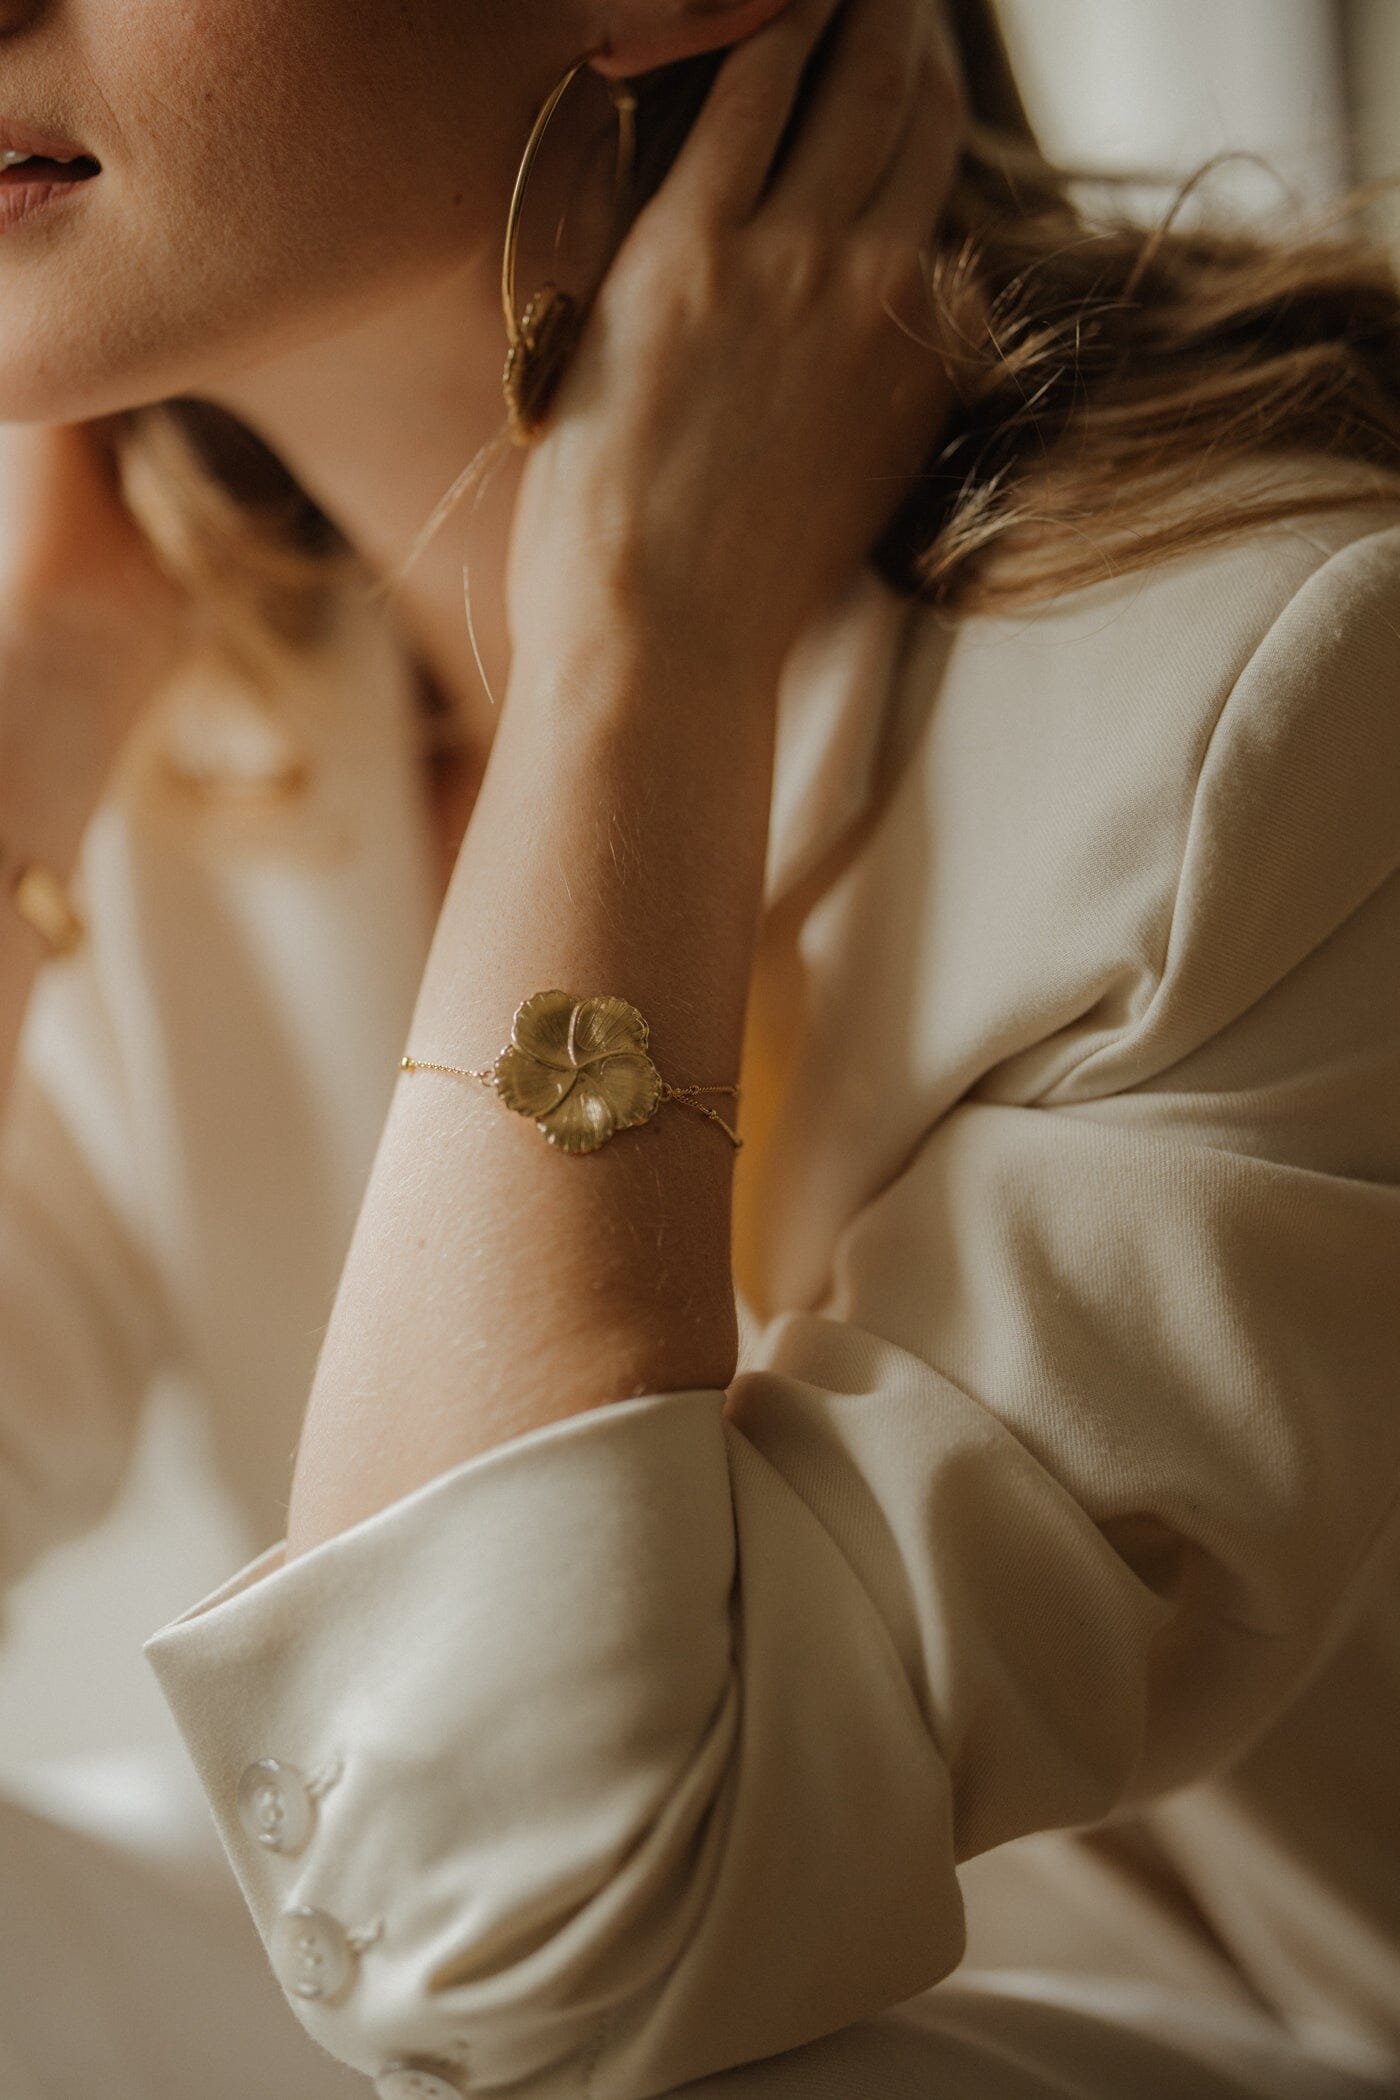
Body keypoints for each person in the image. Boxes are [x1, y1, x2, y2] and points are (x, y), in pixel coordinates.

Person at [0, 0, 1397, 2094]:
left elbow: (535, 1943)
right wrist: (29, 731)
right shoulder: (204, 706)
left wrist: (634, 664)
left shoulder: (1257, 706)